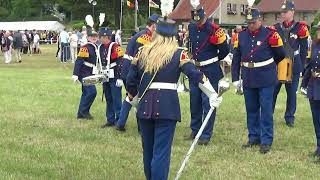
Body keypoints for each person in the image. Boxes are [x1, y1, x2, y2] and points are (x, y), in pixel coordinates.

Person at [126, 15, 222, 180]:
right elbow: (196, 75)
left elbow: (130, 80)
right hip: (167, 107)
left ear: (156, 33)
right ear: (174, 35)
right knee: (161, 153)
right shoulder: (179, 54)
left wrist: (135, 100)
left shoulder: (142, 51)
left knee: (148, 151)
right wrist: (212, 93)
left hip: (144, 106)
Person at [232, 7, 286, 154]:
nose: (250, 25)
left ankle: (266, 140)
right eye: (248, 22)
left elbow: (280, 54)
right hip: (248, 77)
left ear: (260, 20)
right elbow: (236, 58)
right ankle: (253, 137)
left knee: (266, 110)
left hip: (266, 77)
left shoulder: (271, 34)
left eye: (253, 22)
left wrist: (268, 66)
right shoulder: (241, 36)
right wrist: (235, 78)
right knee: (251, 109)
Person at [185, 4, 229, 145]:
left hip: (210, 69)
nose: (197, 22)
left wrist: (213, 60)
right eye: (195, 20)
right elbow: (190, 45)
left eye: (200, 19)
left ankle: (205, 134)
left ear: (205, 17)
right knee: (194, 101)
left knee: (208, 102)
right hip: (195, 69)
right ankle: (195, 129)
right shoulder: (191, 27)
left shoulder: (215, 30)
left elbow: (225, 51)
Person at [115, 14, 158, 132]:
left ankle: (121, 123)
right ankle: (141, 127)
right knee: (140, 96)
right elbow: (142, 57)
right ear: (153, 26)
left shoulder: (142, 34)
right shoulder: (144, 37)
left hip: (128, 68)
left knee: (130, 96)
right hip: (133, 69)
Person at [272, 0, 309, 127]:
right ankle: (268, 114)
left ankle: (289, 117)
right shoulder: (275, 28)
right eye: (282, 12)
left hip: (294, 63)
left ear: (292, 12)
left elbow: (304, 49)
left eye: (285, 12)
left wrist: (302, 66)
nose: (283, 14)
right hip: (278, 64)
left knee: (291, 93)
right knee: (273, 91)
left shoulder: (301, 28)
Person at [300, 22, 320, 159]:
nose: (319, 31)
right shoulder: (314, 45)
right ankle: (319, 148)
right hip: (314, 87)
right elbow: (309, 66)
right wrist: (304, 84)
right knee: (316, 120)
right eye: (319, 29)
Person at [99, 27, 125, 128]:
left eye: (103, 37)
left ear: (108, 37)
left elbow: (120, 61)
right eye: (101, 36)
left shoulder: (115, 46)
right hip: (105, 75)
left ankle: (119, 120)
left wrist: (119, 77)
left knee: (116, 99)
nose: (101, 38)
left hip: (114, 74)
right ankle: (110, 119)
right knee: (108, 98)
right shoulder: (100, 47)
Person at [72, 27, 98, 120]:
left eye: (95, 36)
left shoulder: (96, 46)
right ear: (88, 37)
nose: (94, 38)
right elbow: (79, 61)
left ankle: (81, 113)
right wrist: (75, 74)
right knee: (92, 92)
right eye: (91, 36)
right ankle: (84, 112)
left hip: (90, 72)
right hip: (83, 72)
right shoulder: (85, 47)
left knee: (86, 93)